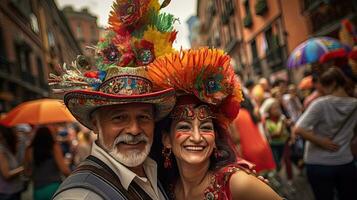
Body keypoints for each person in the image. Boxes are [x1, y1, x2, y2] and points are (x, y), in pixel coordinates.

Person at [50, 0, 178, 199]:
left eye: (143, 117)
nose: (134, 129)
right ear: (95, 123)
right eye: (119, 118)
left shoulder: (151, 169)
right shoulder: (81, 196)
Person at [148, 48, 283, 199]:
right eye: (184, 127)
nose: (197, 137)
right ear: (167, 139)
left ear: (215, 138)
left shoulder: (238, 184)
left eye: (205, 127)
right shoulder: (164, 189)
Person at [293, 67, 357, 200]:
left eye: (324, 85)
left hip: (318, 163)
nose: (321, 89)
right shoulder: (355, 104)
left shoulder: (321, 104)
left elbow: (298, 129)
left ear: (333, 84)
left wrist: (321, 142)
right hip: (345, 160)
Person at [24, 126, 71, 200]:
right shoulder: (54, 147)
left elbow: (27, 172)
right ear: (49, 135)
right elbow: (64, 169)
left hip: (38, 189)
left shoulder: (29, 149)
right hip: (54, 187)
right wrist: (73, 178)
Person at [0, 125, 24, 200]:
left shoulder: (15, 147)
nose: (18, 133)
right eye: (15, 131)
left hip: (16, 189)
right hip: (6, 193)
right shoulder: (1, 150)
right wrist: (23, 168)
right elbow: (6, 175)